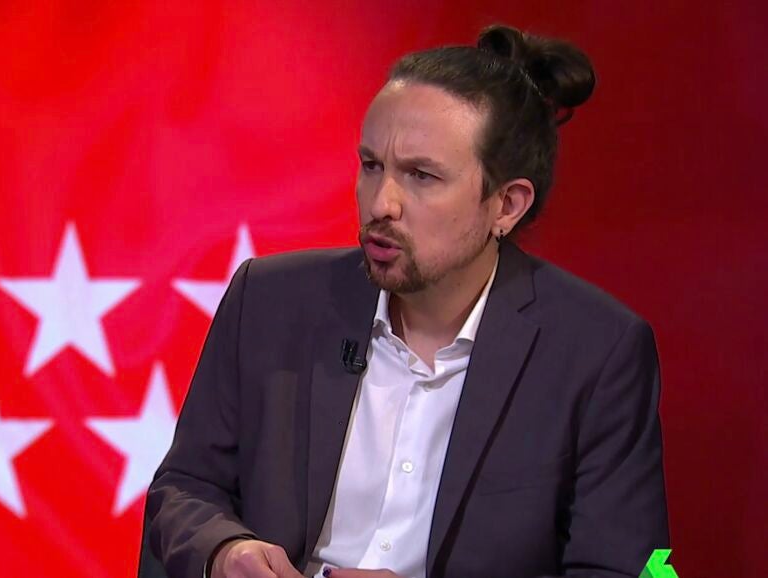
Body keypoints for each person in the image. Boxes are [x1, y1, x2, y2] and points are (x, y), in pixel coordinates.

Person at [141, 24, 669, 578]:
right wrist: (226, 551)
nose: (381, 204)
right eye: (372, 165)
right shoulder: (270, 300)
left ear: (506, 205)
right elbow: (185, 487)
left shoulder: (597, 352)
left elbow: (634, 569)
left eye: (421, 176)